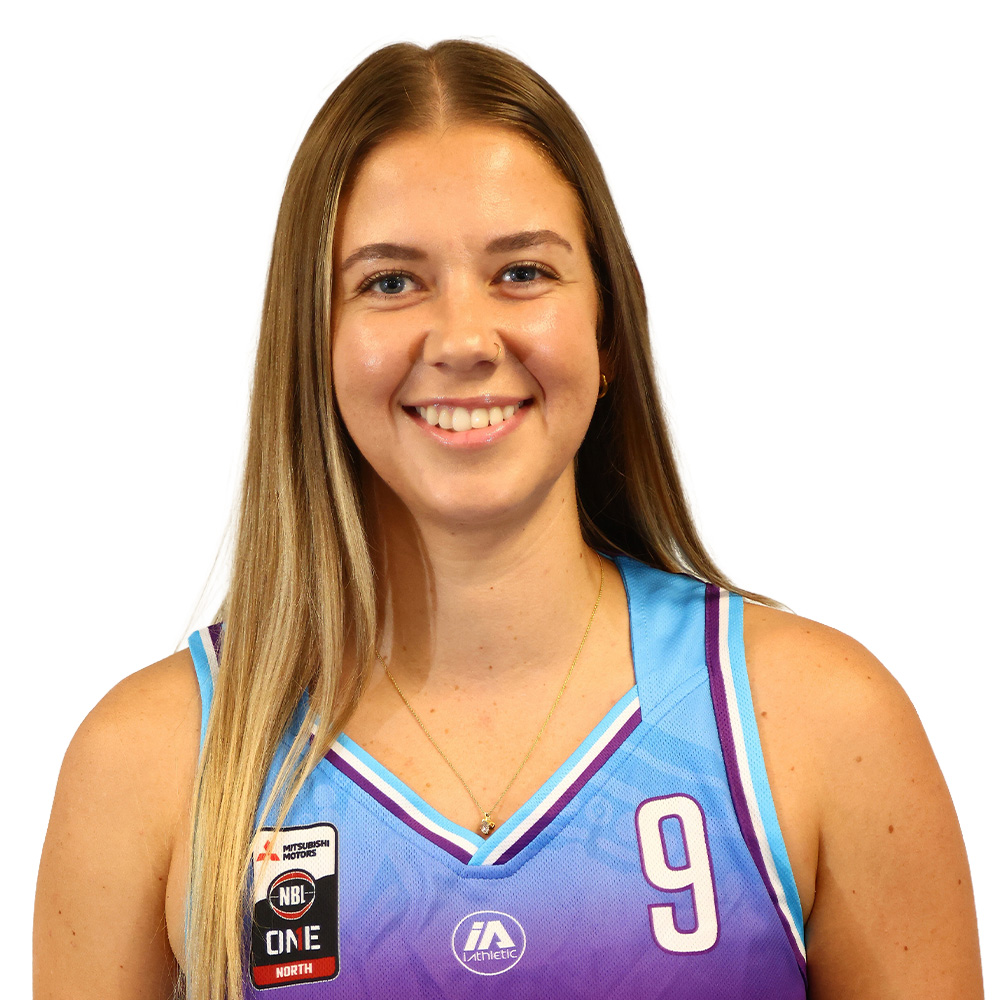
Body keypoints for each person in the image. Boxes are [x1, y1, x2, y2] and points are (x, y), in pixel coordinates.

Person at [33, 39, 982, 1000]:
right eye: (390, 282)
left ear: (607, 330)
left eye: (522, 272)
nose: (464, 340)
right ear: (312, 344)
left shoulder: (818, 725)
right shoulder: (150, 763)